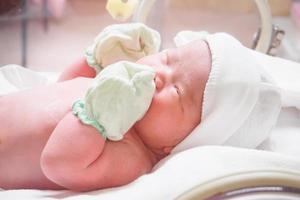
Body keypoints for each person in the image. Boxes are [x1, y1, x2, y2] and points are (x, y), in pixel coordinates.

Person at [0, 39, 211, 191]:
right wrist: (95, 59)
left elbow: (59, 164)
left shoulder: (134, 157)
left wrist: (98, 116)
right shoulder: (116, 95)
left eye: (177, 91)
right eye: (167, 58)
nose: (159, 75)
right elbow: (63, 85)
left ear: (176, 144)